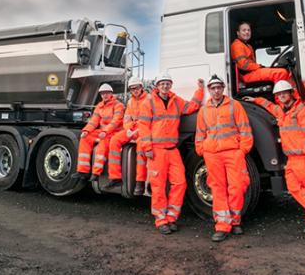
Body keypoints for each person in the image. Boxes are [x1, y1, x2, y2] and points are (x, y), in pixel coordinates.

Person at [243, 81, 305, 235]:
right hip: (292, 159)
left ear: (291, 93)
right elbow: (270, 106)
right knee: (293, 187)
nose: (282, 96)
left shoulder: (302, 111)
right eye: (278, 94)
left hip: (304, 158)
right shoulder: (282, 111)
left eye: (284, 93)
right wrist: (256, 100)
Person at [137, 74, 204, 235]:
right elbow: (143, 126)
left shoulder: (176, 101)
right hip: (157, 150)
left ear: (171, 85)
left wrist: (200, 91)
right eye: (162, 84)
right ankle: (161, 220)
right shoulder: (149, 102)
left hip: (172, 150)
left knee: (180, 183)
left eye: (167, 83)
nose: (165, 86)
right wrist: (147, 148)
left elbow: (191, 107)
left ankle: (172, 217)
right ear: (157, 86)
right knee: (158, 187)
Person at [195, 74, 253, 242]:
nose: (216, 91)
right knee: (217, 188)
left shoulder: (234, 106)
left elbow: (245, 129)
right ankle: (222, 225)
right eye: (213, 88)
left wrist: (242, 150)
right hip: (212, 154)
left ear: (223, 88)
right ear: (209, 90)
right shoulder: (204, 111)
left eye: (219, 87)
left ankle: (235, 221)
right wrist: (202, 150)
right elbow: (200, 133)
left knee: (238, 185)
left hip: (233, 152)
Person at [104, 77, 148, 193]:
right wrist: (128, 129)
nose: (135, 90)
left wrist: (137, 132)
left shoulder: (149, 99)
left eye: (136, 87)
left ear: (141, 87)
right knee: (114, 140)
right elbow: (127, 118)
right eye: (132, 89)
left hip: (145, 130)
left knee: (140, 146)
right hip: (132, 129)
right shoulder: (130, 102)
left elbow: (150, 121)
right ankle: (115, 178)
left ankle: (140, 182)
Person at [72, 83, 124, 181]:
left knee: (102, 146)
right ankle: (82, 171)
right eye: (103, 93)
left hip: (114, 132)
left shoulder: (118, 105)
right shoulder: (99, 106)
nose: (105, 95)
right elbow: (94, 121)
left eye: (107, 93)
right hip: (103, 131)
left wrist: (105, 131)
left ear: (111, 93)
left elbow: (116, 121)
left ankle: (96, 173)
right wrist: (86, 130)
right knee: (85, 138)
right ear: (100, 95)